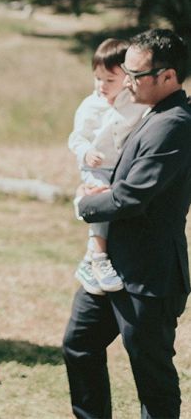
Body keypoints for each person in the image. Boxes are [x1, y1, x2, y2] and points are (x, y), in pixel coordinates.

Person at [64, 29, 191, 419]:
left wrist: (86, 204)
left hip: (148, 275)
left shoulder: (175, 124)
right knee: (79, 344)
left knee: (151, 377)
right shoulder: (146, 113)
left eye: (136, 75)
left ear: (168, 77)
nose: (127, 82)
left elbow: (133, 196)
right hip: (109, 268)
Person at [67, 39, 149, 295]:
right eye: (97, 78)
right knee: (101, 198)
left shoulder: (135, 103)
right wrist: (86, 151)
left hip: (121, 169)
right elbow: (76, 138)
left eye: (109, 80)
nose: (101, 86)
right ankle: (97, 256)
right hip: (96, 167)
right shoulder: (89, 105)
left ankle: (91, 260)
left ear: (127, 77)